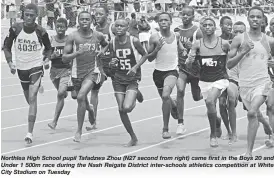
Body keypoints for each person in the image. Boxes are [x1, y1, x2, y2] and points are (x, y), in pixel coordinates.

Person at [227, 6, 274, 156]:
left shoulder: (270, 41)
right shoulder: (239, 39)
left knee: (252, 112)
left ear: (262, 20)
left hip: (263, 83)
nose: (255, 19)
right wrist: (243, 51)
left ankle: (248, 152)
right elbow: (229, 64)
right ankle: (267, 126)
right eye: (252, 16)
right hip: (245, 85)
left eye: (258, 17)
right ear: (247, 18)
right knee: (254, 113)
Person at [3, 3, 52, 144]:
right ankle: (36, 86)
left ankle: (29, 133)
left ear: (37, 16)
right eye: (27, 15)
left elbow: (49, 48)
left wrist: (47, 59)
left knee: (32, 97)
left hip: (36, 66)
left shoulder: (41, 31)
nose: (29, 18)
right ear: (23, 14)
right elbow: (6, 46)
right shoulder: (15, 28)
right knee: (30, 100)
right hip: (21, 68)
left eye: (32, 15)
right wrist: (10, 62)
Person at [62, 11, 109, 142]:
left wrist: (101, 52)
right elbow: (65, 58)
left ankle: (78, 130)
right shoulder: (72, 37)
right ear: (78, 20)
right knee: (80, 98)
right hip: (76, 73)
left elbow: (106, 45)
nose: (84, 21)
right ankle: (90, 109)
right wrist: (77, 53)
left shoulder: (98, 35)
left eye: (87, 19)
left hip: (93, 71)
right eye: (82, 19)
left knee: (81, 96)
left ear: (91, 21)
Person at [186, 17, 230, 147]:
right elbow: (189, 64)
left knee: (211, 101)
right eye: (205, 25)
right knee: (210, 108)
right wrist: (189, 60)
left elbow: (231, 60)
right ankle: (216, 121)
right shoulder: (197, 44)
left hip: (220, 79)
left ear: (215, 27)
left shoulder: (224, 43)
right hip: (204, 80)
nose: (207, 27)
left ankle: (212, 136)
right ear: (201, 28)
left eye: (210, 25)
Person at [108, 18, 148, 146]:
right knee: (121, 109)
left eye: (122, 26)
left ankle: (135, 93)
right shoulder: (112, 42)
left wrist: (135, 67)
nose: (118, 28)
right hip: (118, 78)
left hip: (132, 78)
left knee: (127, 107)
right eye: (116, 26)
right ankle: (133, 137)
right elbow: (112, 60)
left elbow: (145, 54)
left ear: (127, 28)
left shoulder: (134, 40)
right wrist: (112, 63)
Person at [148, 12, 182, 139]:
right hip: (158, 73)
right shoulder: (154, 38)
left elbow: (180, 48)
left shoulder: (176, 35)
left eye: (166, 20)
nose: (163, 22)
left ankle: (165, 129)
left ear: (171, 22)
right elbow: (149, 58)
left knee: (165, 95)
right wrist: (157, 49)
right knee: (166, 99)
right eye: (160, 20)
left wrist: (184, 50)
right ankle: (173, 104)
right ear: (158, 22)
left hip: (172, 71)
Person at [173, 6, 203, 135]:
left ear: (193, 16)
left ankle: (205, 92)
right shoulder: (176, 30)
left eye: (188, 14)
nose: (185, 16)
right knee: (180, 91)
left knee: (197, 97)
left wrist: (195, 48)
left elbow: (205, 49)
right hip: (181, 67)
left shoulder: (197, 31)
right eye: (183, 14)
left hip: (195, 67)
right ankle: (180, 123)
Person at [47, 18, 73, 129]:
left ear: (66, 28)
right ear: (55, 27)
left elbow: (75, 54)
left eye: (62, 27)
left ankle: (54, 121)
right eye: (58, 27)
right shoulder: (51, 40)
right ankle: (89, 107)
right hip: (54, 72)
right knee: (63, 93)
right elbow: (46, 55)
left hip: (66, 70)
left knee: (60, 93)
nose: (60, 29)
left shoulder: (70, 40)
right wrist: (51, 57)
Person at [218, 16, 234, 140]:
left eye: (231, 24)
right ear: (221, 25)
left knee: (232, 104)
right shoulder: (217, 41)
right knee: (222, 104)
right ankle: (228, 130)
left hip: (236, 76)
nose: (229, 26)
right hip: (221, 75)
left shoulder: (236, 39)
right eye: (226, 24)